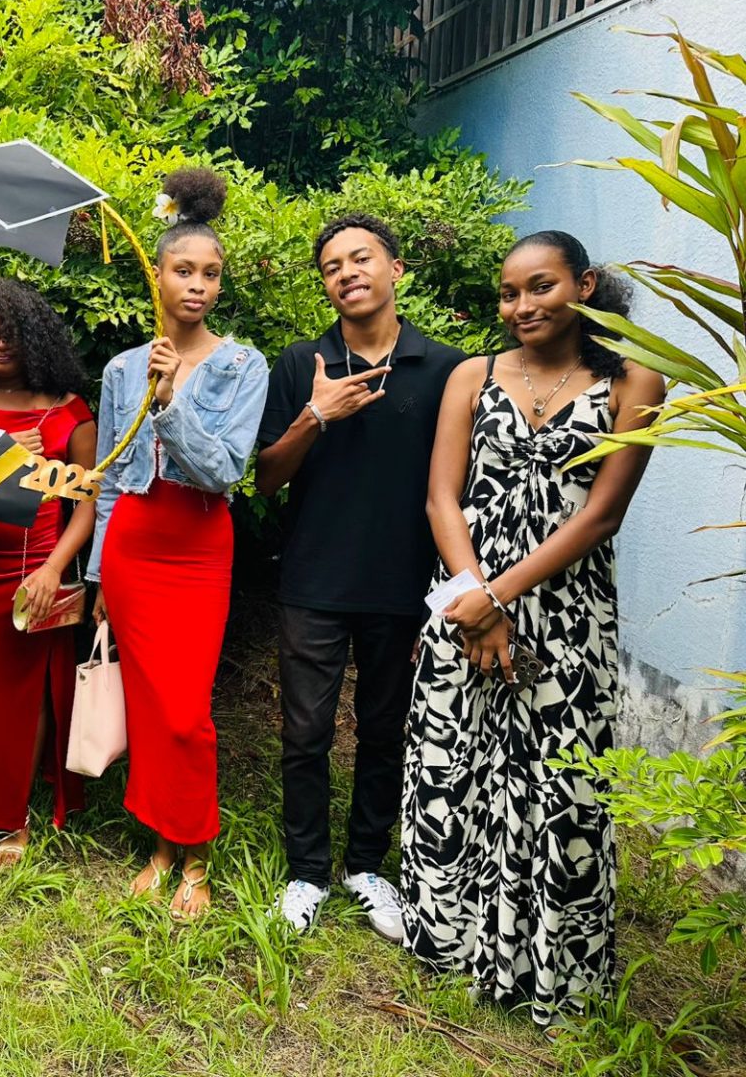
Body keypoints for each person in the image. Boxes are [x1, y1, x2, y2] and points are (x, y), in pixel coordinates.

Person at [401, 231, 663, 1025]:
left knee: (558, 784)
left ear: (583, 285)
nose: (521, 306)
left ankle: (547, 965)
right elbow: (441, 499)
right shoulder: (471, 376)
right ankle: (452, 944)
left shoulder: (635, 381)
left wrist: (500, 598)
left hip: (566, 614)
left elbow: (602, 516)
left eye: (540, 287)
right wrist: (473, 600)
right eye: (509, 294)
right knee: (454, 768)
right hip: (463, 602)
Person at [254, 213, 464, 940]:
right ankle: (306, 872)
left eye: (361, 258)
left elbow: (458, 488)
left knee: (384, 730)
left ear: (395, 268)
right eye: (332, 266)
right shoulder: (300, 363)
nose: (347, 272)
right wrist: (316, 413)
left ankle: (367, 866)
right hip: (313, 578)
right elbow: (266, 479)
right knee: (306, 732)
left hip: (404, 584)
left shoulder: (448, 369)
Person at [89, 168, 269, 919]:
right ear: (158, 277)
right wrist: (98, 577)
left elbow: (225, 470)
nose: (197, 286)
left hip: (197, 545)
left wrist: (169, 403)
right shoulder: (122, 368)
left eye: (210, 273)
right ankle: (160, 847)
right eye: (184, 271)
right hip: (133, 544)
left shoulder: (243, 364)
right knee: (148, 701)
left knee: (186, 708)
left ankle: (194, 854)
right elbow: (107, 479)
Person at [0, 273, 96, 869]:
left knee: (27, 695)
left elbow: (87, 505)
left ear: (34, 335)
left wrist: (54, 570)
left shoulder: (69, 411)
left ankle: (12, 817)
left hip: (36, 568)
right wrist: (6, 460)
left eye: (9, 332)